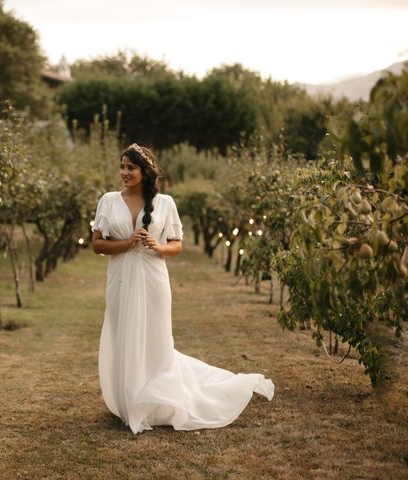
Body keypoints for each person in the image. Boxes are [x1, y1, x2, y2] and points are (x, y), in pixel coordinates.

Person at [91, 143, 275, 434]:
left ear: (145, 171)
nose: (124, 172)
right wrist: (127, 243)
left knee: (155, 339)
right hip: (121, 279)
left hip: (153, 278)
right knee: (123, 333)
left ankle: (155, 402)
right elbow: (97, 244)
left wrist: (159, 246)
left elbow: (177, 244)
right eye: (122, 166)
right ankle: (129, 402)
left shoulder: (166, 203)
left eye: (131, 167)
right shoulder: (108, 200)